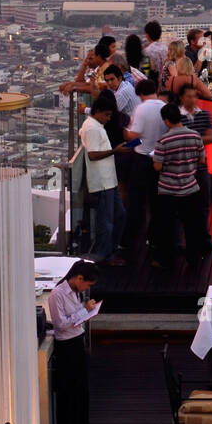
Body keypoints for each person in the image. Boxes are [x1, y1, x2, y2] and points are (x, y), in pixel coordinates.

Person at [48, 260, 103, 424]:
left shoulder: (75, 292)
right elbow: (61, 324)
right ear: (79, 278)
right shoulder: (57, 294)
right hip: (67, 349)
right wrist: (84, 311)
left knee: (82, 394)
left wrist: (85, 312)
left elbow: (72, 320)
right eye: (87, 284)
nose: (87, 288)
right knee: (68, 395)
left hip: (77, 343)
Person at [151, 102, 210, 269]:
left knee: (167, 228)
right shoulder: (195, 136)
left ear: (166, 121)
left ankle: (166, 260)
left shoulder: (163, 140)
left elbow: (158, 167)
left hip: (168, 192)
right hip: (190, 189)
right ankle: (193, 258)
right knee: (192, 227)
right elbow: (202, 160)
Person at [79, 91, 130, 264]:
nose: (108, 118)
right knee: (106, 221)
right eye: (107, 115)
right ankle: (105, 256)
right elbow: (93, 155)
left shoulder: (94, 126)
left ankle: (110, 251)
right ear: (98, 111)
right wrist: (115, 151)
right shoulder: (92, 128)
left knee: (119, 215)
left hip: (108, 180)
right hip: (102, 182)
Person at [122, 79, 165, 259]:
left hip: (142, 158)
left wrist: (125, 129)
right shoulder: (165, 106)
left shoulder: (141, 108)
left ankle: (130, 242)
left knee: (136, 201)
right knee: (157, 203)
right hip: (161, 159)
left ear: (140, 95)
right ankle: (155, 239)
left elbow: (134, 134)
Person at [178, 83, 212, 252]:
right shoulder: (178, 116)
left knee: (203, 204)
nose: (193, 99)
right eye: (190, 96)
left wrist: (190, 139)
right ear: (182, 98)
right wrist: (200, 139)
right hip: (186, 169)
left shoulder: (204, 114)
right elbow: (208, 137)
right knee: (185, 206)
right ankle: (188, 241)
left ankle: (204, 239)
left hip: (200, 168)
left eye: (195, 96)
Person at [142, 21, 168, 90]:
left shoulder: (146, 51)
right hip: (167, 84)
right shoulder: (167, 49)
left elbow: (145, 72)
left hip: (154, 86)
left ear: (147, 35)